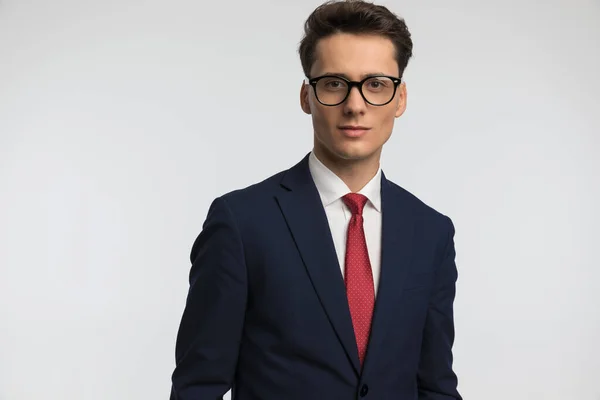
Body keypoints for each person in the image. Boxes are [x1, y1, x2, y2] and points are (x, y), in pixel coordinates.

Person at [170, 0, 462, 398]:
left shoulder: (431, 232)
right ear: (307, 96)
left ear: (400, 99)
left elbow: (436, 387)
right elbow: (197, 386)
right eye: (334, 83)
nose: (355, 105)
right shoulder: (242, 223)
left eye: (376, 84)